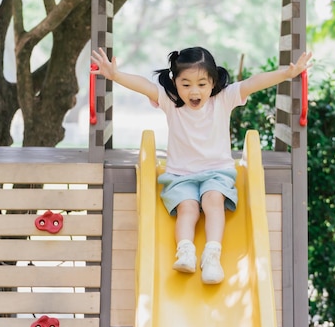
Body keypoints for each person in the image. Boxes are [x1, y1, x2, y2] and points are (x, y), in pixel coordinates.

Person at [91, 46, 312, 284]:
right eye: (185, 84)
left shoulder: (223, 99)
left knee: (213, 201)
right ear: (175, 83)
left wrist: (287, 74)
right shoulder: (169, 101)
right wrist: (116, 75)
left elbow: (253, 83)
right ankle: (185, 251)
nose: (193, 91)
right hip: (180, 175)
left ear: (213, 82)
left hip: (217, 172)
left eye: (201, 84)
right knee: (188, 209)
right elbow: (144, 85)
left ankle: (212, 255)